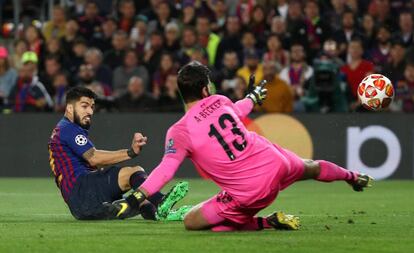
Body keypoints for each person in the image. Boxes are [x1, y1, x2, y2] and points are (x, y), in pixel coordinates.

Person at [108, 61, 373, 231]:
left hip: (251, 192)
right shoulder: (221, 101)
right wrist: (253, 97)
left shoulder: (180, 131)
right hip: (274, 161)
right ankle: (352, 176)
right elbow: (237, 109)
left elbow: (166, 170)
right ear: (204, 90)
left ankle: (266, 223)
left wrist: (136, 197)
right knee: (311, 167)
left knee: (194, 222)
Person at [47, 86, 189, 220]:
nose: (90, 111)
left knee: (141, 200)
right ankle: (161, 201)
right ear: (70, 108)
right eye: (84, 106)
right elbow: (93, 158)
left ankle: (162, 215)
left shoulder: (63, 130)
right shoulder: (68, 129)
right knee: (133, 172)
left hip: (80, 205)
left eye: (92, 107)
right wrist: (130, 152)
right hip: (82, 190)